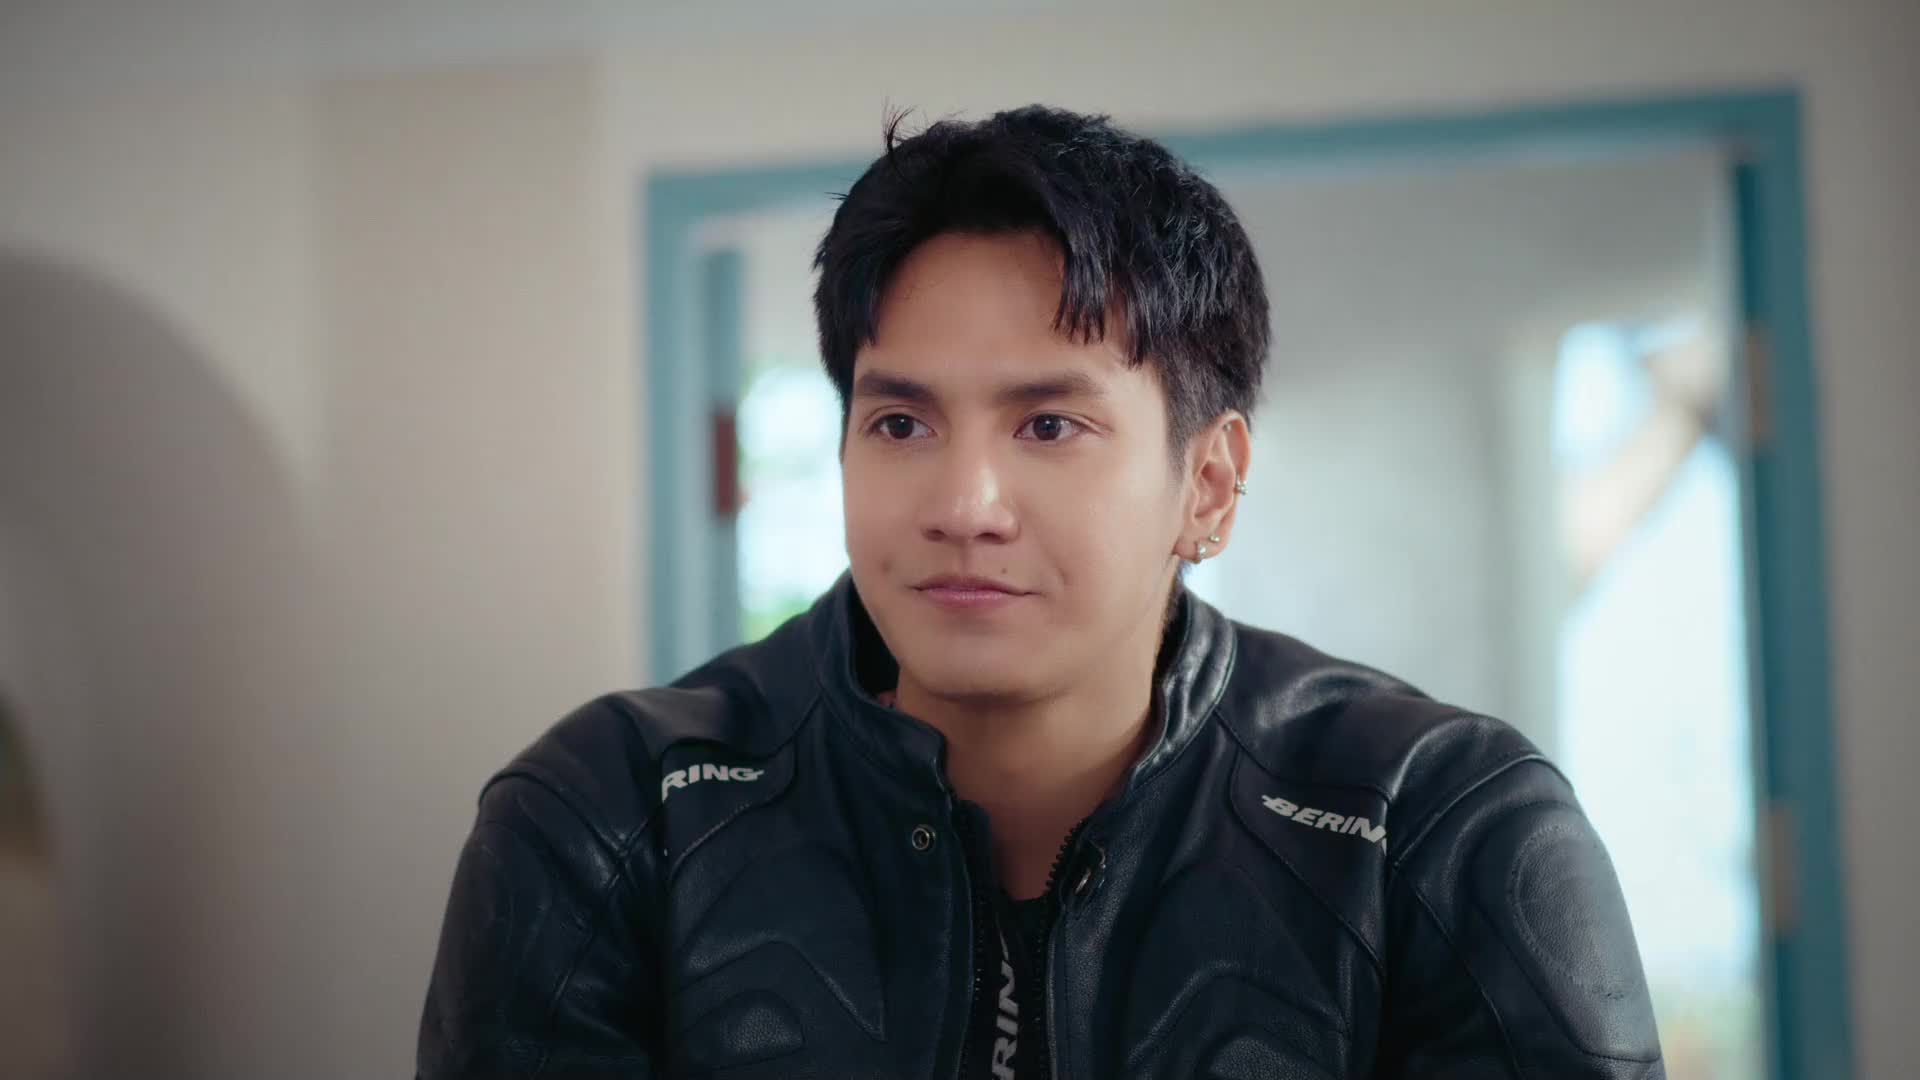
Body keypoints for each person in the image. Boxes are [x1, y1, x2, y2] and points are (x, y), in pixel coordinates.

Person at [417, 104, 1665, 1079]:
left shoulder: (1436, 830)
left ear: (1209, 484)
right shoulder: (613, 820)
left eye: (1050, 426)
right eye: (901, 423)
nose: (965, 502)